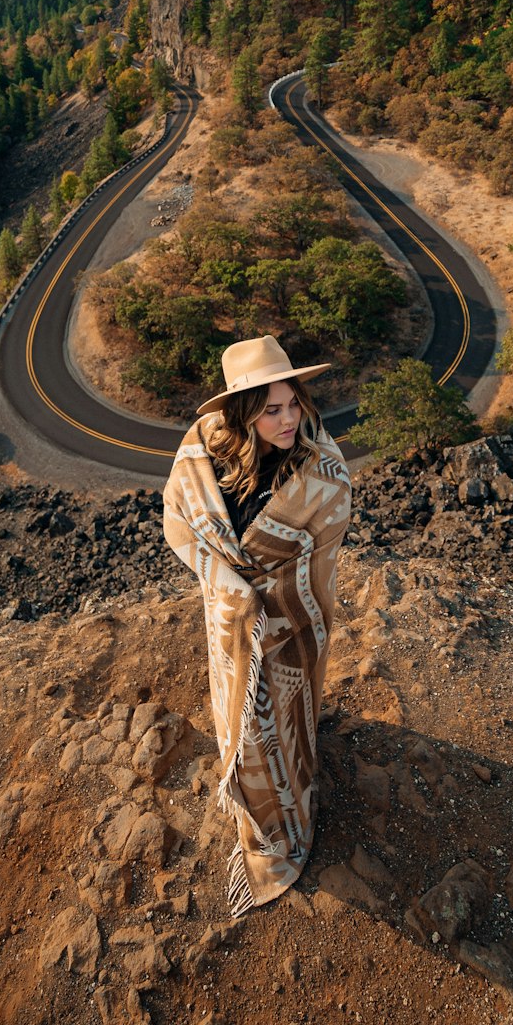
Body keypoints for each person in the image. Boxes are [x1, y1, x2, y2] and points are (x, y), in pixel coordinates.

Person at [162, 335, 352, 915]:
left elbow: (325, 529)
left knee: (289, 723)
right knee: (242, 726)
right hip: (232, 626)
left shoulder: (319, 466)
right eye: (272, 409)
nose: (290, 417)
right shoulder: (203, 454)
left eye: (293, 402)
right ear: (243, 411)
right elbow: (181, 519)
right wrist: (229, 586)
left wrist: (268, 591)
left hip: (291, 623)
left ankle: (290, 819)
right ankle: (259, 823)